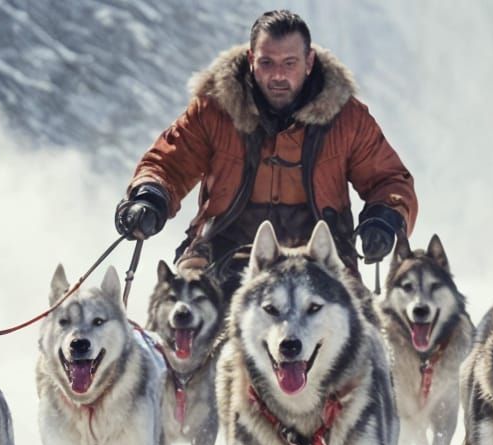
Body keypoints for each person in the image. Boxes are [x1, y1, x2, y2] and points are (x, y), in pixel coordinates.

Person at [114, 9, 417, 285]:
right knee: (184, 314)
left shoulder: (347, 118)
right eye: (267, 62)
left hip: (321, 256)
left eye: (289, 63)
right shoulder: (213, 110)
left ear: (309, 62)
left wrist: (384, 218)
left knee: (355, 331)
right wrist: (149, 198)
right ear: (251, 59)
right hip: (222, 248)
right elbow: (168, 165)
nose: (278, 76)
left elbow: (388, 180)